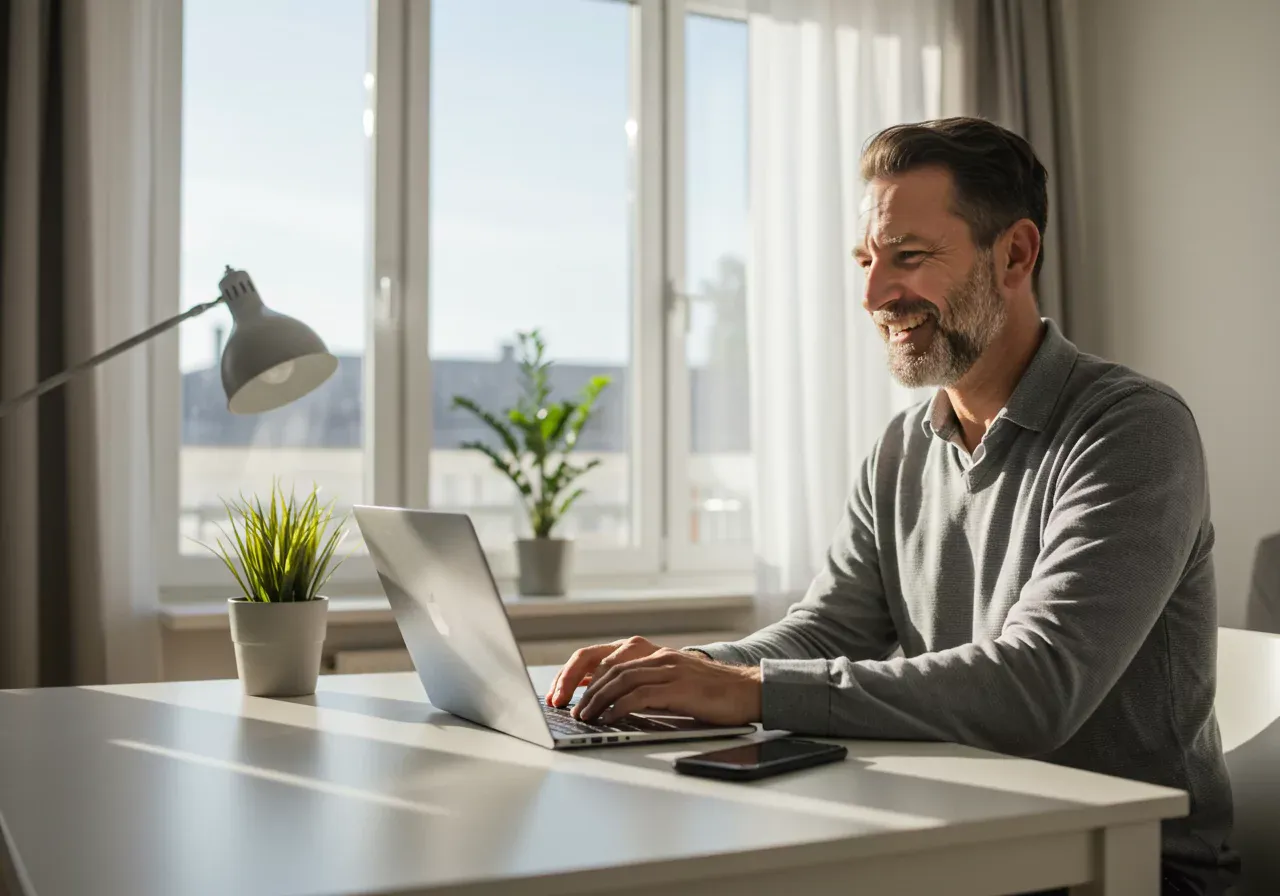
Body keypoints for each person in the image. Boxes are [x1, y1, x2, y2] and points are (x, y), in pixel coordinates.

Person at [545, 117, 1237, 895]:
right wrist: (693, 671)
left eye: (909, 257)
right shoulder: (904, 445)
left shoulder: (1132, 429)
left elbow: (1038, 686)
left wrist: (747, 691)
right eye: (867, 260)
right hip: (964, 829)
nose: (875, 294)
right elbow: (830, 626)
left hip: (1127, 867)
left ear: (1015, 253)